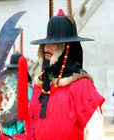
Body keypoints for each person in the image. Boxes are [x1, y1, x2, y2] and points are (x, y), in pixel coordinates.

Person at [23, 9, 105, 140]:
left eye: (54, 43)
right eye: (46, 44)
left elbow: (96, 133)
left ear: (67, 47)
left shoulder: (82, 86)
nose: (46, 48)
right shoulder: (41, 87)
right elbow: (31, 133)